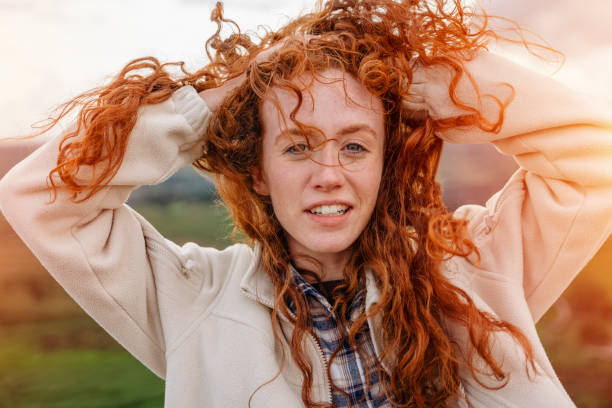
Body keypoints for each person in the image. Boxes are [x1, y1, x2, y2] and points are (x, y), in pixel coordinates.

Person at [0, 0, 610, 407]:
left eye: (354, 146)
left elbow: (596, 160)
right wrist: (222, 101)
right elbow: (39, 198)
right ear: (258, 172)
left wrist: (425, 87)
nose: (328, 175)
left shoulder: (475, 264)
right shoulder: (192, 301)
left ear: (383, 162)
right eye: (296, 146)